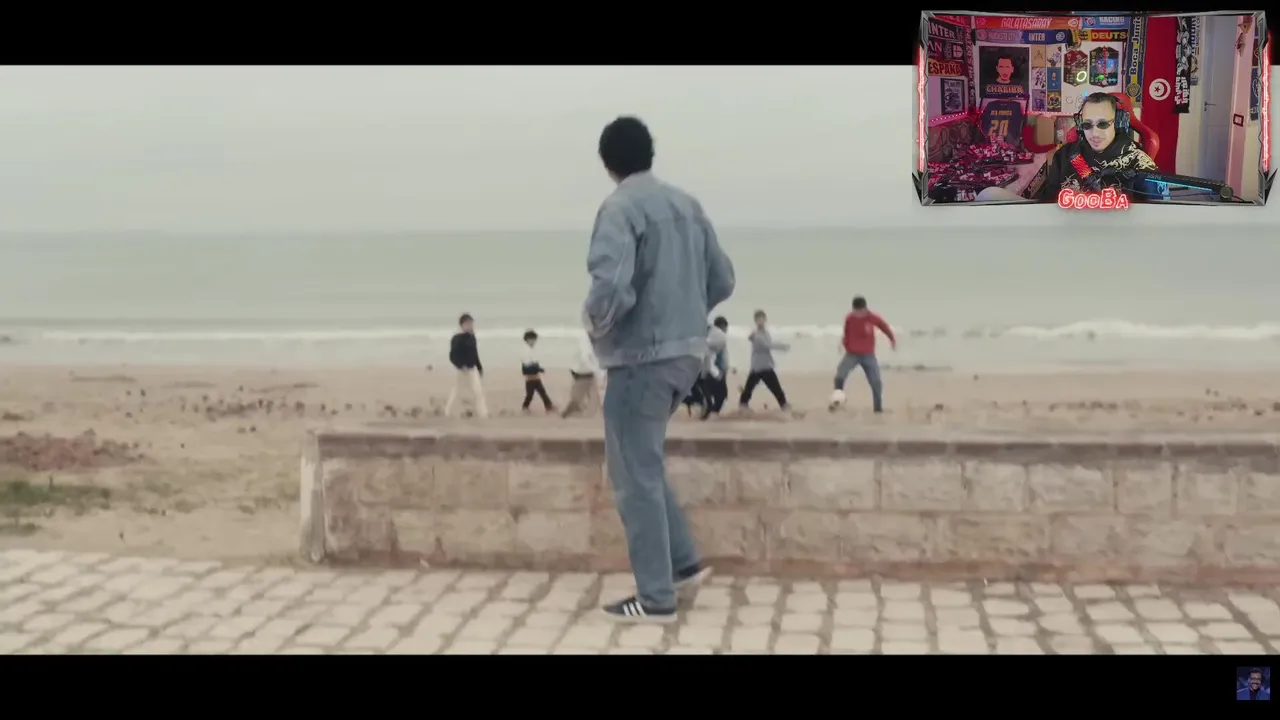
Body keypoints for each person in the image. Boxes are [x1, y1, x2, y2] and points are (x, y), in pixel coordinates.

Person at [583, 115, 735, 624]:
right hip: (686, 357)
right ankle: (684, 565)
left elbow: (611, 287)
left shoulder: (619, 208)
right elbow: (723, 279)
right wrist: (684, 315)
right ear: (649, 152)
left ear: (608, 164)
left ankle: (655, 599)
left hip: (639, 361)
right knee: (644, 466)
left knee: (633, 478)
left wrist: (594, 326)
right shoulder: (686, 205)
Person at [978, 93, 1158, 203]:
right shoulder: (1068, 155)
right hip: (1065, 233)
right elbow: (1046, 201)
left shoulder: (1138, 162)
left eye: (1102, 124)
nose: (1094, 133)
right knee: (988, 195)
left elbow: (1157, 214)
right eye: (1087, 125)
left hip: (1115, 237)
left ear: (1117, 124)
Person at [830, 296, 896, 413]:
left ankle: (878, 408)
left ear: (865, 309)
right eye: (856, 311)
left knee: (876, 382)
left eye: (860, 311)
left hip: (868, 355)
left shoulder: (873, 318)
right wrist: (842, 343)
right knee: (839, 376)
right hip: (851, 354)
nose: (858, 314)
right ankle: (837, 402)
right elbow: (846, 332)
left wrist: (892, 340)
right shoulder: (849, 318)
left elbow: (884, 327)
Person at [739, 309, 790, 411]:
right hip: (760, 367)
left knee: (754, 387)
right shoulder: (756, 335)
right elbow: (767, 346)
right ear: (755, 321)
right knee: (771, 387)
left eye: (761, 319)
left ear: (765, 319)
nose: (760, 321)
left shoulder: (765, 333)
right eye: (758, 319)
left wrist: (781, 346)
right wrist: (782, 347)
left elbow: (769, 345)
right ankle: (784, 405)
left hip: (763, 365)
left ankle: (743, 404)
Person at [445, 313, 488, 418]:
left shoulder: (472, 337)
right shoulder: (457, 338)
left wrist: (479, 367)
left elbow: (475, 353)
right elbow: (452, 356)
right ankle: (448, 411)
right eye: (467, 324)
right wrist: (460, 365)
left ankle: (483, 414)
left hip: (472, 369)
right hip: (461, 371)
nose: (470, 326)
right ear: (462, 325)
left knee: (478, 391)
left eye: (471, 324)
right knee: (456, 391)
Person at [561, 331, 605, 418]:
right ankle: (568, 413)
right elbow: (586, 357)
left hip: (583, 371)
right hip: (582, 372)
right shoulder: (586, 342)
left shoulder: (588, 340)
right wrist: (596, 370)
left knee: (593, 393)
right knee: (579, 396)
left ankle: (601, 410)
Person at [697, 317, 729, 420]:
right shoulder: (718, 336)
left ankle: (710, 411)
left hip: (712, 369)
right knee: (719, 393)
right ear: (723, 326)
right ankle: (711, 412)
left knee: (717, 393)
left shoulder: (712, 334)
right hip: (713, 370)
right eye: (726, 328)